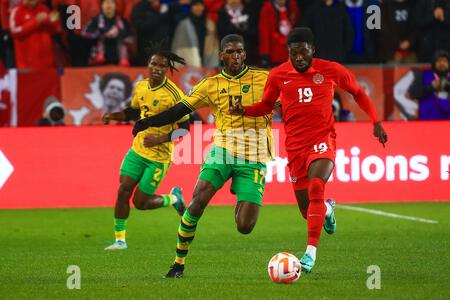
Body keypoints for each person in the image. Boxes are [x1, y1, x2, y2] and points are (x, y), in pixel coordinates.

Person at [230, 27, 388, 273]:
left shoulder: (331, 70)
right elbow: (266, 106)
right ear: (289, 53)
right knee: (307, 211)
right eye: (294, 53)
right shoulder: (278, 75)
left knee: (317, 186)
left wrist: (376, 121)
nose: (299, 58)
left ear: (312, 50)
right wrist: (245, 111)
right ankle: (327, 210)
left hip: (323, 138)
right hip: (294, 147)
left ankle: (310, 254)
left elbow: (357, 92)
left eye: (303, 52)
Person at [132, 34, 274, 278]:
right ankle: (178, 263)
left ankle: (240, 191)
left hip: (255, 155)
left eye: (240, 51)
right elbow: (178, 110)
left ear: (245, 54)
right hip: (223, 150)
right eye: (230, 51)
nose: (236, 56)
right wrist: (148, 122)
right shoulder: (210, 85)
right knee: (198, 201)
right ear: (221, 55)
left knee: (245, 227)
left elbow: (290, 103)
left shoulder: (266, 79)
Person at [102, 46, 191, 250]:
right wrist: (114, 116)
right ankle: (120, 240)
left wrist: (160, 139)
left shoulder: (175, 95)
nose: (157, 68)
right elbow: (135, 112)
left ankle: (174, 198)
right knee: (123, 190)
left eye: (162, 66)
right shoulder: (141, 87)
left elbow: (185, 130)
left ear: (168, 69)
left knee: (141, 203)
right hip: (137, 150)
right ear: (148, 65)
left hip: (158, 157)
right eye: (154, 64)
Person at [9, 0, 61, 70]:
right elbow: (14, 31)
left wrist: (53, 22)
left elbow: (55, 30)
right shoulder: (17, 10)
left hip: (47, 63)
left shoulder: (44, 9)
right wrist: (35, 22)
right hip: (27, 64)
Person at [82, 0, 132, 66]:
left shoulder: (122, 21)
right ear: (101, 6)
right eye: (106, 2)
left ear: (115, 6)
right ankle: (100, 56)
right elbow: (85, 34)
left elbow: (131, 37)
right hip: (98, 61)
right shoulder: (95, 20)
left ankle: (123, 59)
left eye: (111, 2)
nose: (109, 5)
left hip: (119, 61)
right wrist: (102, 34)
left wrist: (119, 34)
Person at [171, 0, 219, 67]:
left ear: (203, 7)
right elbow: (178, 44)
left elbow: (214, 44)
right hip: (189, 59)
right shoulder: (183, 24)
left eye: (200, 5)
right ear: (191, 7)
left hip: (206, 56)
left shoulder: (210, 24)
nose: (198, 8)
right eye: (195, 5)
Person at [408, 50, 450, 120]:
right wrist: (431, 87)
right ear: (434, 63)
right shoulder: (423, 75)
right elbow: (413, 94)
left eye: (445, 61)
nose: (442, 63)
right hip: (428, 121)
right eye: (439, 61)